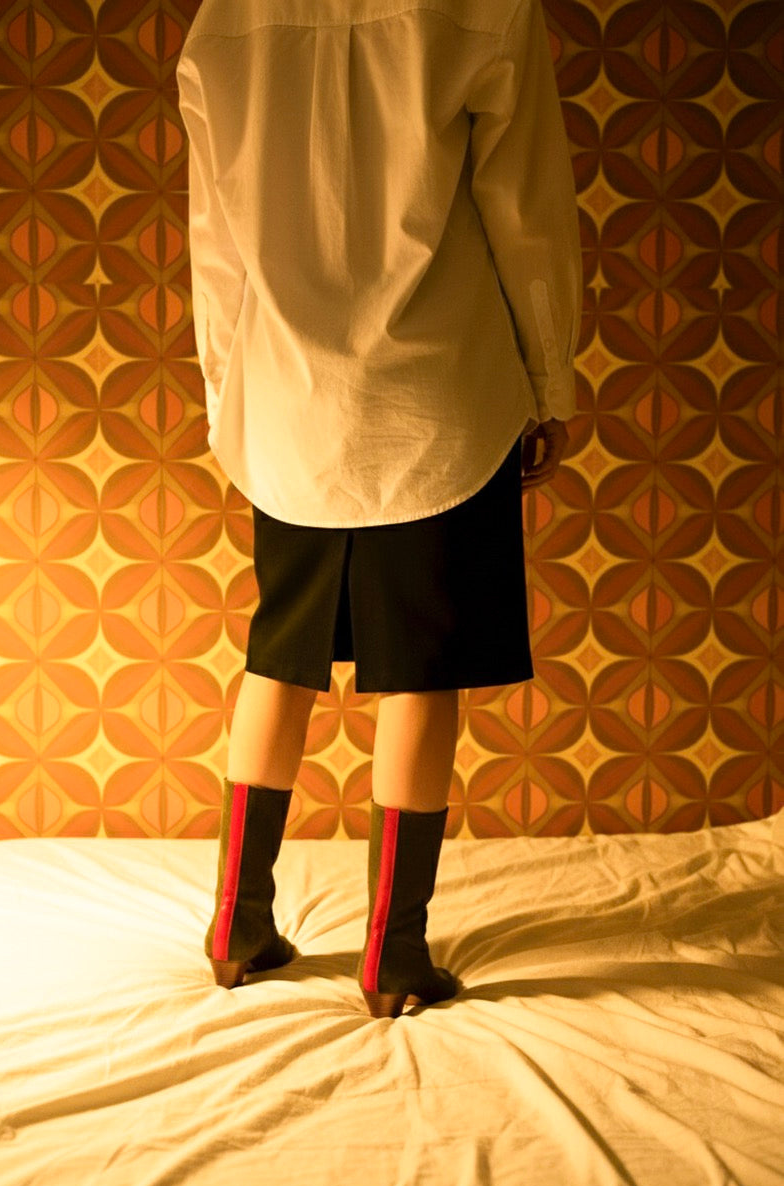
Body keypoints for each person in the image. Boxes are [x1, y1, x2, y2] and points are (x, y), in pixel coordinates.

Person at [176, 0, 582, 1018]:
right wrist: (549, 381)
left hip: (287, 393)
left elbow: (214, 237)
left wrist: (228, 393)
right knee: (421, 667)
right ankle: (394, 957)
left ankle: (236, 926)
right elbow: (526, 215)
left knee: (279, 651)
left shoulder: (226, 21)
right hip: (441, 390)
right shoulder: (488, 11)